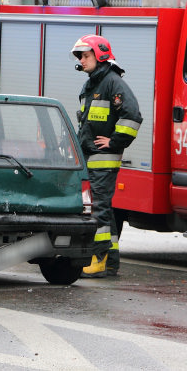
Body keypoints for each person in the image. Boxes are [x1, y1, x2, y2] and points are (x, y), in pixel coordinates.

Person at [71, 35, 142, 278]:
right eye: (79, 56)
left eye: (85, 55)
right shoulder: (93, 83)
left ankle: (97, 259)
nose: (81, 59)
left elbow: (132, 116)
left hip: (103, 159)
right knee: (104, 209)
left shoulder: (112, 83)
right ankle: (110, 260)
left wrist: (114, 141)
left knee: (97, 209)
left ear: (100, 55)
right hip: (92, 156)